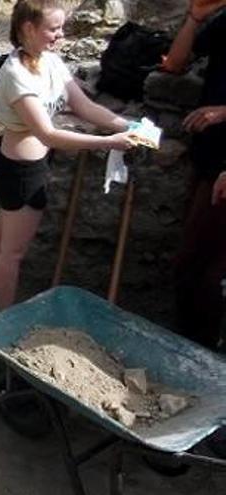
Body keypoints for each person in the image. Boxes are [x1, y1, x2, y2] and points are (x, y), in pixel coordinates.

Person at [0, 0, 136, 311]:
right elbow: (47, 133)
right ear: (28, 28)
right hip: (20, 172)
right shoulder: (15, 74)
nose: (60, 35)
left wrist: (129, 125)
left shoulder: (50, 61)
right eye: (54, 29)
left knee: (3, 230)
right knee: (13, 253)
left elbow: (84, 106)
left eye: (62, 28)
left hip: (30, 164)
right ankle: (2, 321)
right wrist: (108, 142)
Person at [161, 1, 226, 351]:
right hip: (208, 162)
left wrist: (223, 112)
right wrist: (195, 17)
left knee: (210, 276)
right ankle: (188, 353)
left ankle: (202, 361)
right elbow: (173, 64)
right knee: (190, 267)